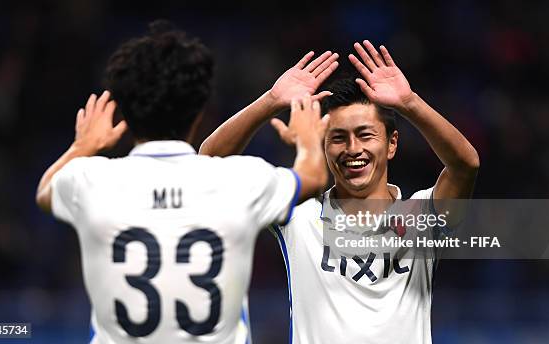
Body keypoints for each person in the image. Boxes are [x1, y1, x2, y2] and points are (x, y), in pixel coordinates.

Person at [35, 20, 331, 344]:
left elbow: (45, 191)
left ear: (126, 112)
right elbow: (314, 175)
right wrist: (305, 136)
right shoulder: (239, 180)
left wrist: (84, 146)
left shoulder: (90, 180)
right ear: (201, 110)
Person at [200, 40, 479, 343]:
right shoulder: (297, 214)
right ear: (323, 145)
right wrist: (270, 102)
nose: (353, 149)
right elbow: (210, 163)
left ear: (392, 144)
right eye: (338, 138)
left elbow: (465, 164)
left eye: (365, 135)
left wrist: (410, 103)